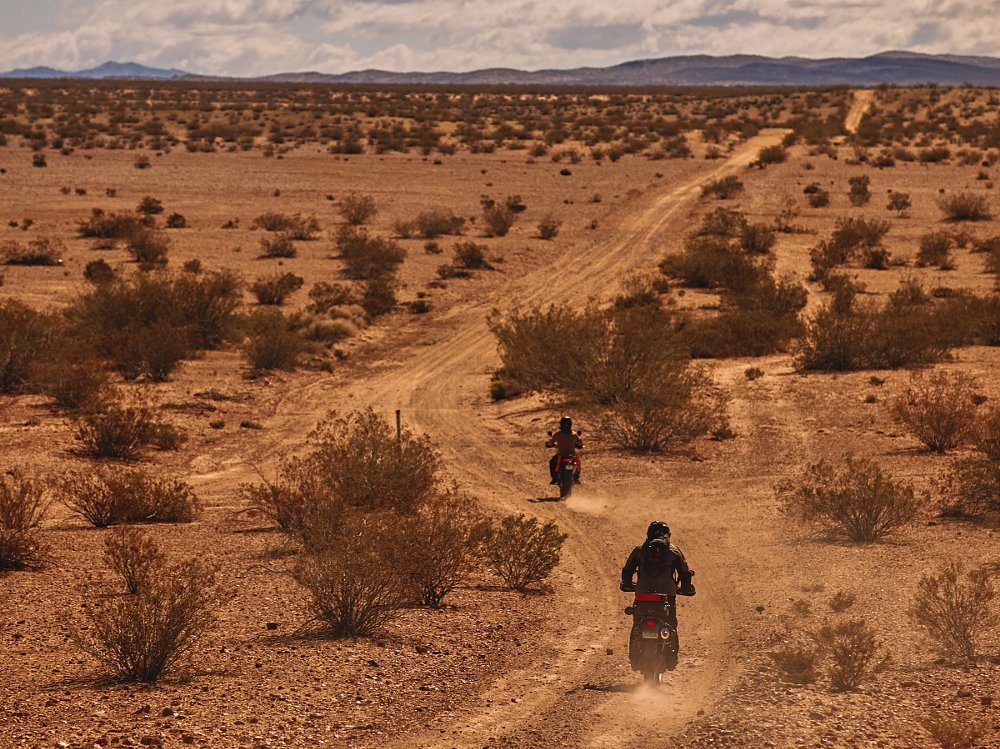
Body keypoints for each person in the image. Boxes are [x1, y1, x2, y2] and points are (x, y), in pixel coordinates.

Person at [620, 521, 695, 665]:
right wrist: (685, 588)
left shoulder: (639, 550)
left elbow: (627, 571)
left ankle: (634, 657)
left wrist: (628, 585)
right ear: (669, 535)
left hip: (642, 594)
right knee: (671, 624)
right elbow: (685, 574)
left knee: (637, 624)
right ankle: (672, 658)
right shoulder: (674, 551)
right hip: (666, 596)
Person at [545, 415, 583, 485]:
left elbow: (550, 443)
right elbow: (580, 443)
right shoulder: (574, 435)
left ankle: (554, 478)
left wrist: (549, 444)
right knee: (578, 463)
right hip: (572, 455)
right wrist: (579, 445)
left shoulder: (557, 434)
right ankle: (576, 477)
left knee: (552, 462)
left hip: (561, 455)